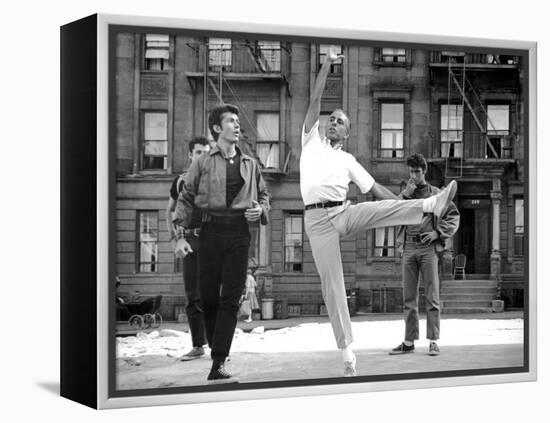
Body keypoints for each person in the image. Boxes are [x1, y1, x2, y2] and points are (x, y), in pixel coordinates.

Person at [300, 46, 457, 377]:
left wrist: (404, 207)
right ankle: (346, 352)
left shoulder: (348, 161)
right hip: (317, 222)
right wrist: (327, 65)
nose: (333, 122)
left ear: (347, 132)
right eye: (332, 118)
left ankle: (430, 203)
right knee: (333, 285)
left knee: (379, 208)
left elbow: (375, 191)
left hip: (342, 212)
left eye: (340, 121)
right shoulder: (310, 141)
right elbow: (314, 100)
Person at [173, 103, 271, 384]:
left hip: (239, 233)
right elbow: (186, 196)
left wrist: (260, 211)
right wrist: (180, 235)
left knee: (231, 297)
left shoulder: (250, 164)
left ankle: (218, 360)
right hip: (210, 231)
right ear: (217, 128)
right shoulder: (202, 161)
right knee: (207, 297)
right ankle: (217, 352)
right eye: (230, 121)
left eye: (238, 121)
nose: (237, 125)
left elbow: (264, 196)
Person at [389, 153, 460, 356]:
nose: (414, 175)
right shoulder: (406, 194)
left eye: (417, 172)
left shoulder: (436, 193)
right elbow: (393, 212)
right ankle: (409, 342)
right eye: (411, 171)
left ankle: (433, 341)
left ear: (424, 171)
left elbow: (453, 216)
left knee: (432, 295)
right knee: (408, 297)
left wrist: (438, 233)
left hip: (429, 249)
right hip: (409, 248)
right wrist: (405, 194)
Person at [166, 136, 210, 361]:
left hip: (213, 242)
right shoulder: (180, 181)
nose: (203, 156)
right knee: (193, 296)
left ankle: (219, 346)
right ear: (191, 155)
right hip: (190, 243)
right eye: (199, 152)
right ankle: (197, 346)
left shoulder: (216, 181)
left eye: (207, 152)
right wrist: (175, 240)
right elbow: (170, 211)